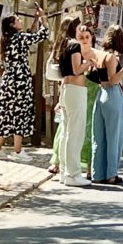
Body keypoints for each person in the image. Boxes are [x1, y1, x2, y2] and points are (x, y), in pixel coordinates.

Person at [0, 5, 49, 160]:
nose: (20, 20)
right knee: (20, 113)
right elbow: (42, 35)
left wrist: (35, 22)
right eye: (18, 19)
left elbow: (28, 35)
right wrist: (43, 19)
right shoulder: (19, 38)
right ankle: (17, 151)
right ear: (12, 25)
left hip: (9, 80)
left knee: (7, 113)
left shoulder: (7, 39)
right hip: (20, 80)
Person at [90, 24, 123, 185]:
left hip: (100, 93)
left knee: (99, 136)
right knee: (114, 137)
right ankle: (111, 174)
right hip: (112, 94)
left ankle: (97, 173)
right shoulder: (112, 57)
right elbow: (113, 80)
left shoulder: (100, 55)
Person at [52, 18, 93, 187]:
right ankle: (73, 174)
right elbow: (77, 69)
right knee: (75, 134)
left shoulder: (62, 46)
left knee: (66, 133)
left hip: (66, 90)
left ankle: (64, 171)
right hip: (76, 91)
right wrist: (89, 63)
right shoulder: (74, 45)